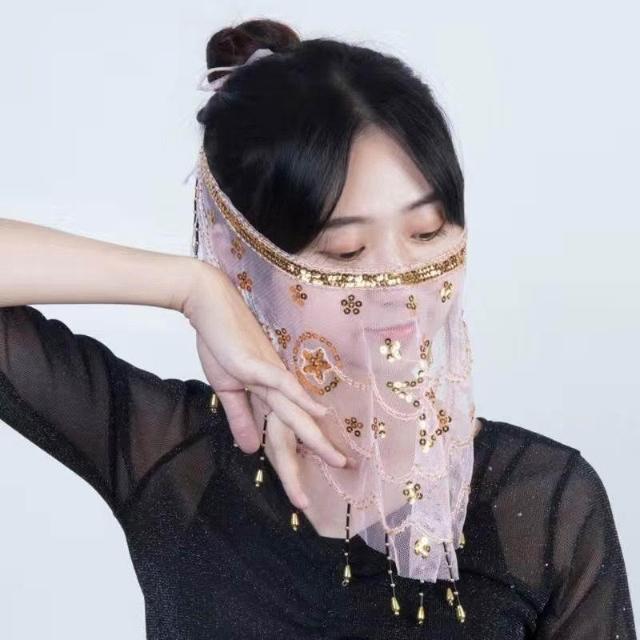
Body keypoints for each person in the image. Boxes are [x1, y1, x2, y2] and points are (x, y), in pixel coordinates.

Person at [0, 18, 636, 640]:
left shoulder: (544, 505)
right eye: (346, 252)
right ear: (248, 258)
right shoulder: (172, 458)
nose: (398, 284)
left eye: (427, 232)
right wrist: (192, 288)